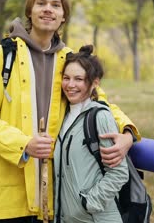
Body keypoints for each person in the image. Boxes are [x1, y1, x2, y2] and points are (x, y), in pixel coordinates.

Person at [0, 0, 140, 223]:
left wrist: (127, 133)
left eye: (55, 5)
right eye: (41, 3)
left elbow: (98, 101)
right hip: (3, 198)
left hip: (53, 199)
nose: (48, 9)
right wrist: (23, 144)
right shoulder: (2, 56)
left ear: (63, 16)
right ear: (30, 10)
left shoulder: (69, 62)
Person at [54, 45, 128, 223]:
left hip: (96, 218)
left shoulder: (99, 117)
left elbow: (119, 172)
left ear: (95, 82)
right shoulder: (61, 117)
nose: (70, 85)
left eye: (79, 79)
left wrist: (88, 203)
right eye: (66, 78)